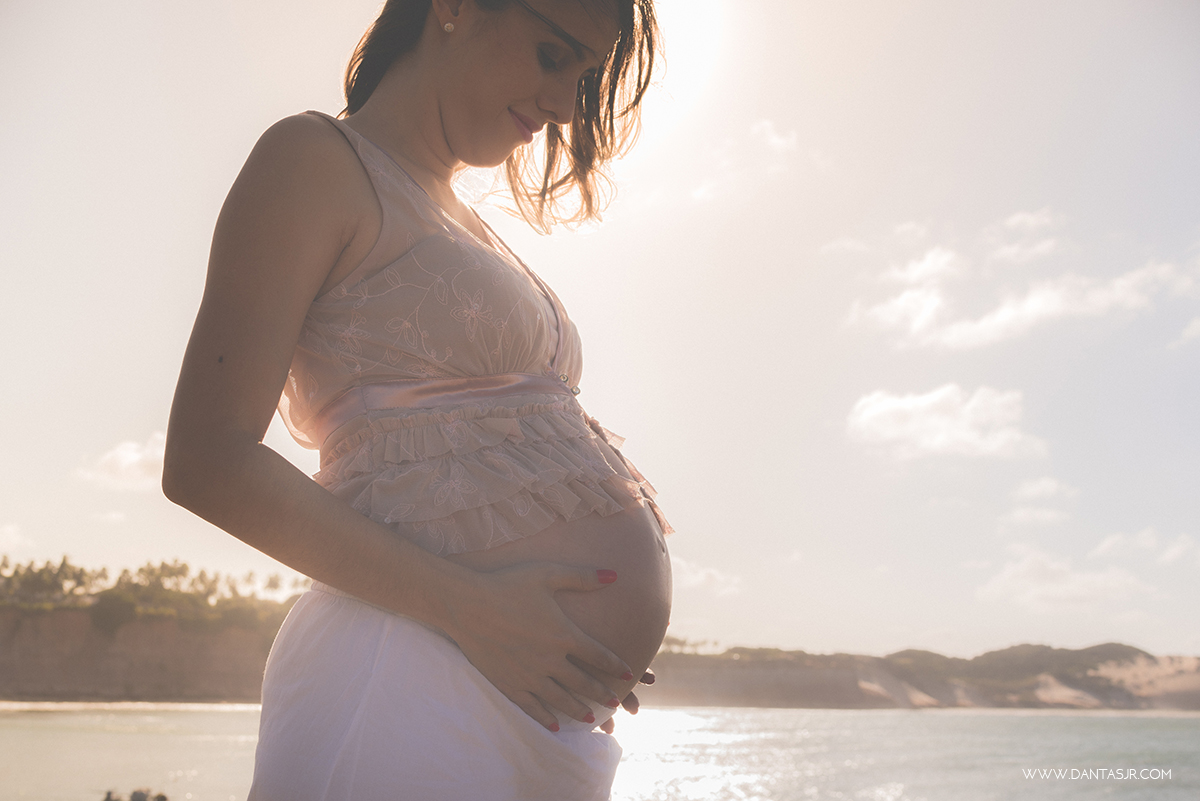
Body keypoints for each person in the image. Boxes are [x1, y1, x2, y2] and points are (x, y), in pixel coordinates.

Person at [162, 0, 672, 797]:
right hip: (405, 677)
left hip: (530, 710)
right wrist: (475, 609)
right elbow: (205, 460)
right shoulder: (315, 160)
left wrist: (583, 643)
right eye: (551, 55)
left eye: (582, 78)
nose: (565, 107)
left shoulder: (465, 216)